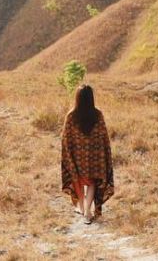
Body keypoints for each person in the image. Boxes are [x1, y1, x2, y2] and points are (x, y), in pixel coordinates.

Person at [60, 84, 114, 224]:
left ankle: (83, 208)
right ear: (91, 98)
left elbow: (66, 138)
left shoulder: (71, 115)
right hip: (95, 157)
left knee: (76, 179)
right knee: (92, 182)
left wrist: (68, 154)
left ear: (77, 98)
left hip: (77, 156)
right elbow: (103, 136)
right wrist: (104, 154)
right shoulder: (98, 114)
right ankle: (88, 211)